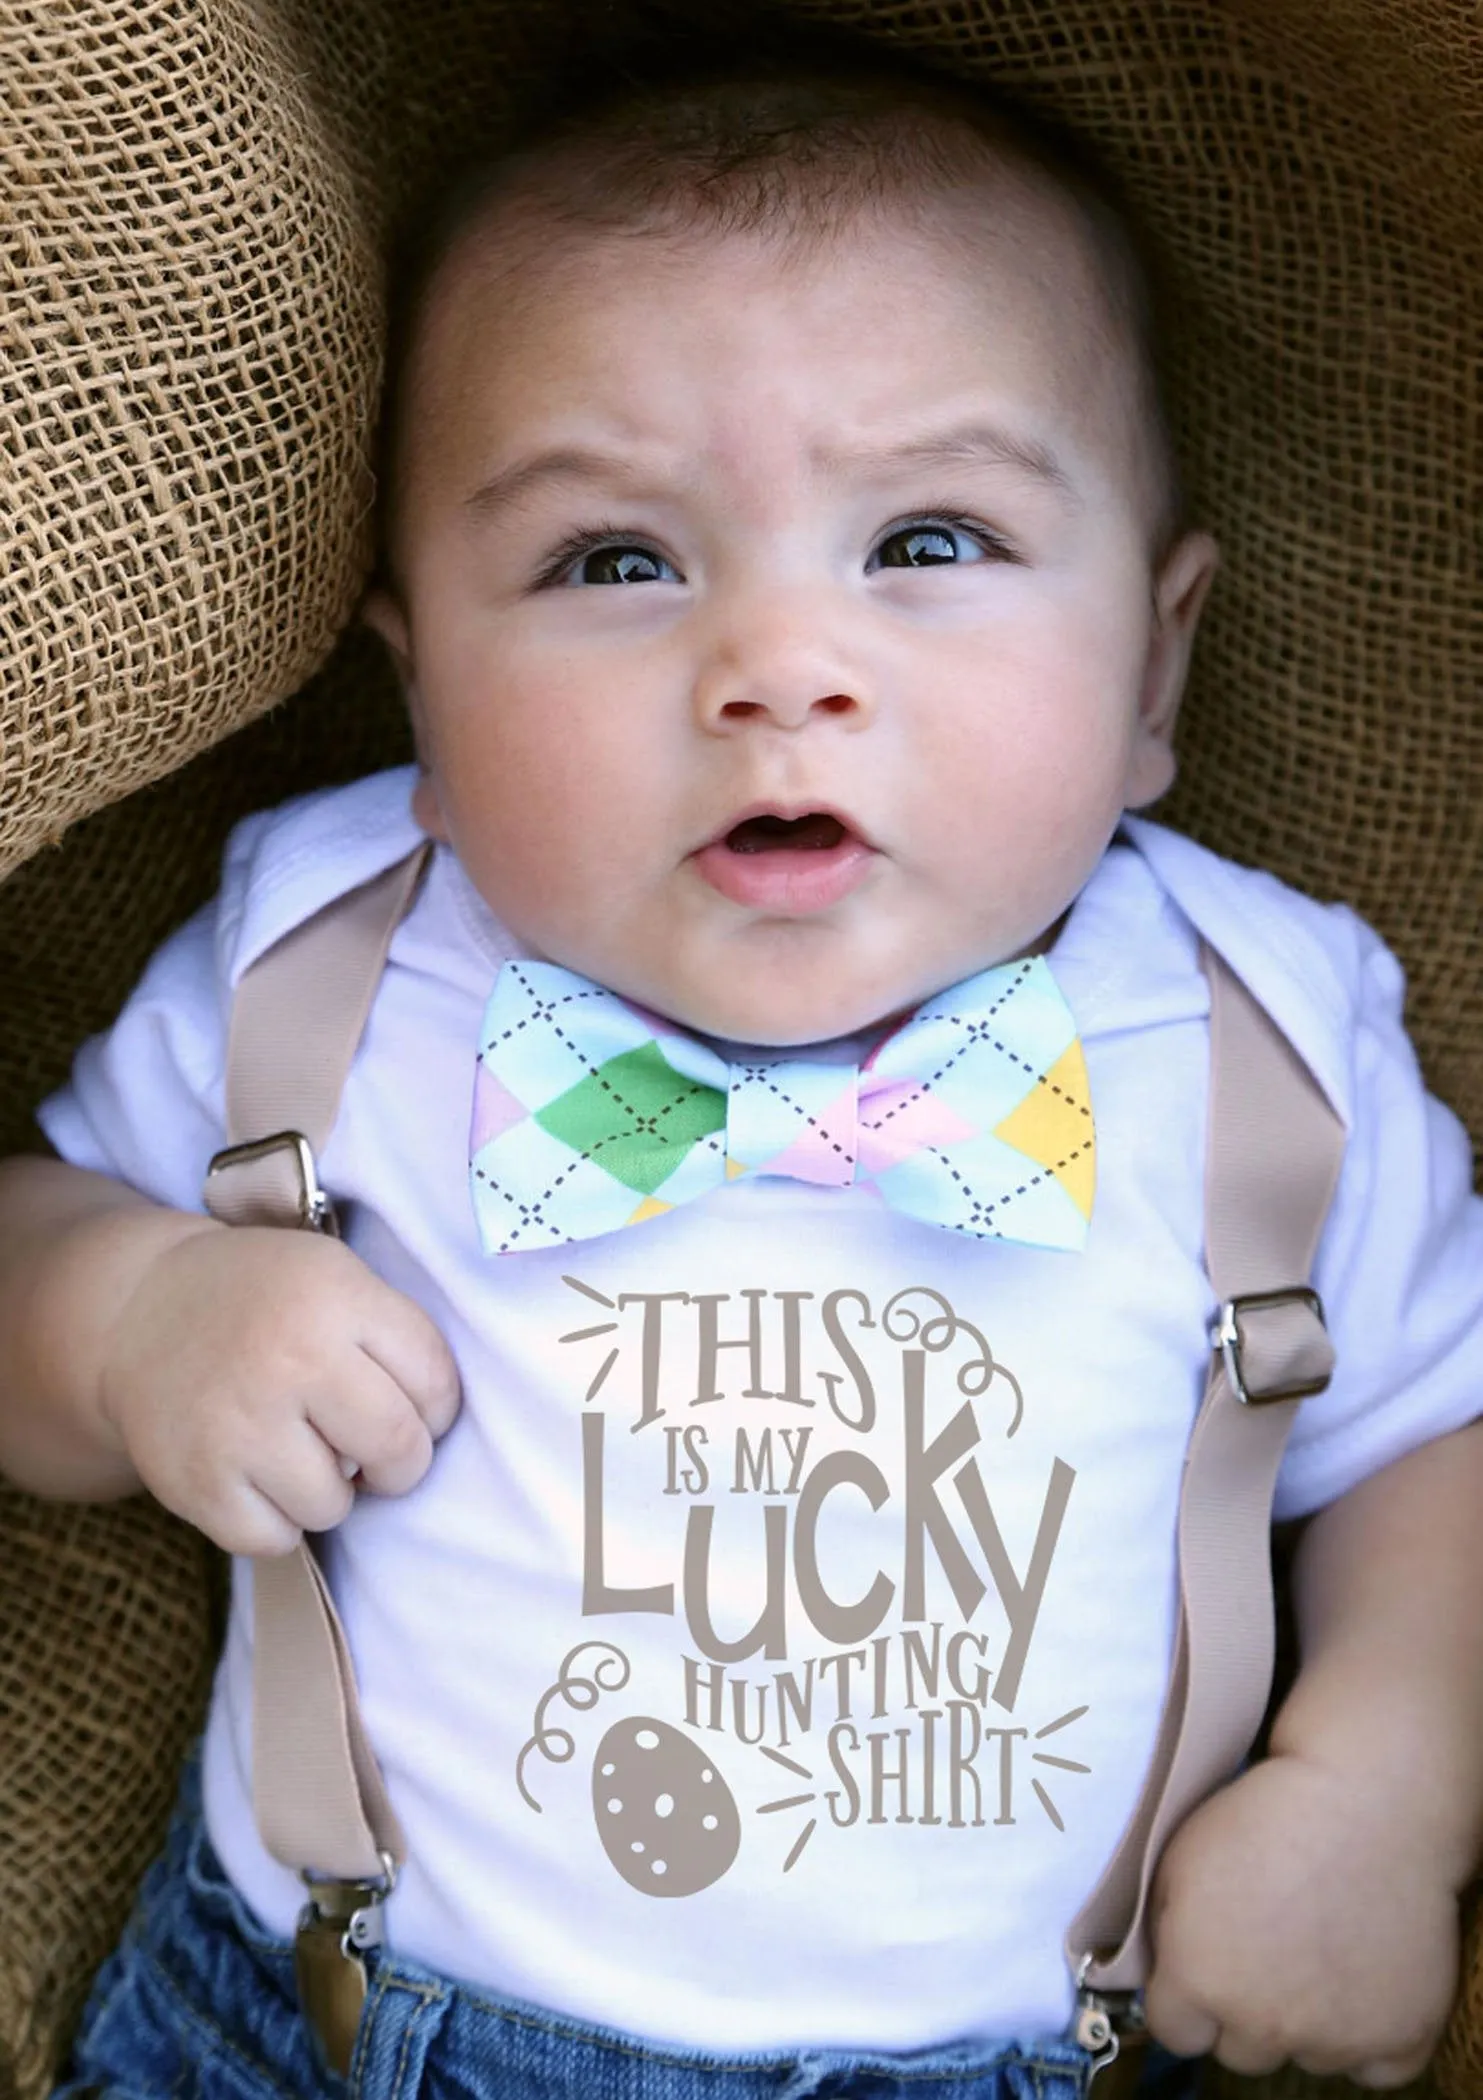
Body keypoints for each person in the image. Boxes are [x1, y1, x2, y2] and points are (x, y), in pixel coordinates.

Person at [1, 58, 1481, 2100]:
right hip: (317, 2022)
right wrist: (137, 1314)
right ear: (422, 684)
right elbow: (24, 1265)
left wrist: (1382, 1780)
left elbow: (1434, 1435)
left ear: (1154, 675)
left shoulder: (1255, 1033)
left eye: (931, 536)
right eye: (617, 560)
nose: (780, 662)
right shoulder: (331, 964)